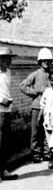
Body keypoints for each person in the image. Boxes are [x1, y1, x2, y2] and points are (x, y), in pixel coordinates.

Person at [20, 47, 53, 163]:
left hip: (49, 107)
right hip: (37, 106)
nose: (46, 62)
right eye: (44, 60)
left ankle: (46, 152)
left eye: (48, 60)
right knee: (35, 131)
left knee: (48, 130)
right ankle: (35, 153)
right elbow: (23, 86)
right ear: (39, 62)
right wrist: (35, 92)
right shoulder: (34, 74)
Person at [0, 47, 19, 180]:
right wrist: (1, 100)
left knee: (5, 141)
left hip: (7, 110)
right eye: (6, 59)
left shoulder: (8, 72)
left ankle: (3, 170)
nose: (9, 61)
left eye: (10, 59)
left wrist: (9, 101)